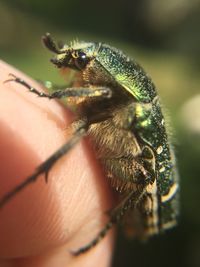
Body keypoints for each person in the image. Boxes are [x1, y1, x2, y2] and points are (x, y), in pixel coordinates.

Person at [0, 60, 114, 267]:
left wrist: (47, 95)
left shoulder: (114, 99)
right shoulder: (101, 96)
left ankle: (36, 176)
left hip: (143, 184)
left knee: (78, 131)